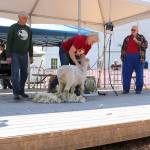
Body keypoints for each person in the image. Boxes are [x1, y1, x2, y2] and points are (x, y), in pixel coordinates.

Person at [6, 11, 33, 100]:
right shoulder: (13, 28)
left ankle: (21, 91)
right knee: (15, 74)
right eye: (24, 18)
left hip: (25, 54)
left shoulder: (28, 29)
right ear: (19, 18)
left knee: (25, 73)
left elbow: (30, 43)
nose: (26, 20)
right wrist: (8, 56)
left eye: (26, 18)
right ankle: (16, 93)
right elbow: (9, 42)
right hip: (15, 54)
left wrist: (31, 55)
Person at [121, 25, 148, 94]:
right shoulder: (127, 38)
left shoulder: (141, 37)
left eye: (134, 30)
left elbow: (146, 45)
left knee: (139, 74)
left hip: (138, 57)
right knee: (126, 74)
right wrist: (122, 57)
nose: (132, 31)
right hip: (128, 57)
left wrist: (137, 42)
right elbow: (123, 48)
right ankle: (126, 89)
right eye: (132, 30)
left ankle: (138, 89)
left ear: (137, 31)